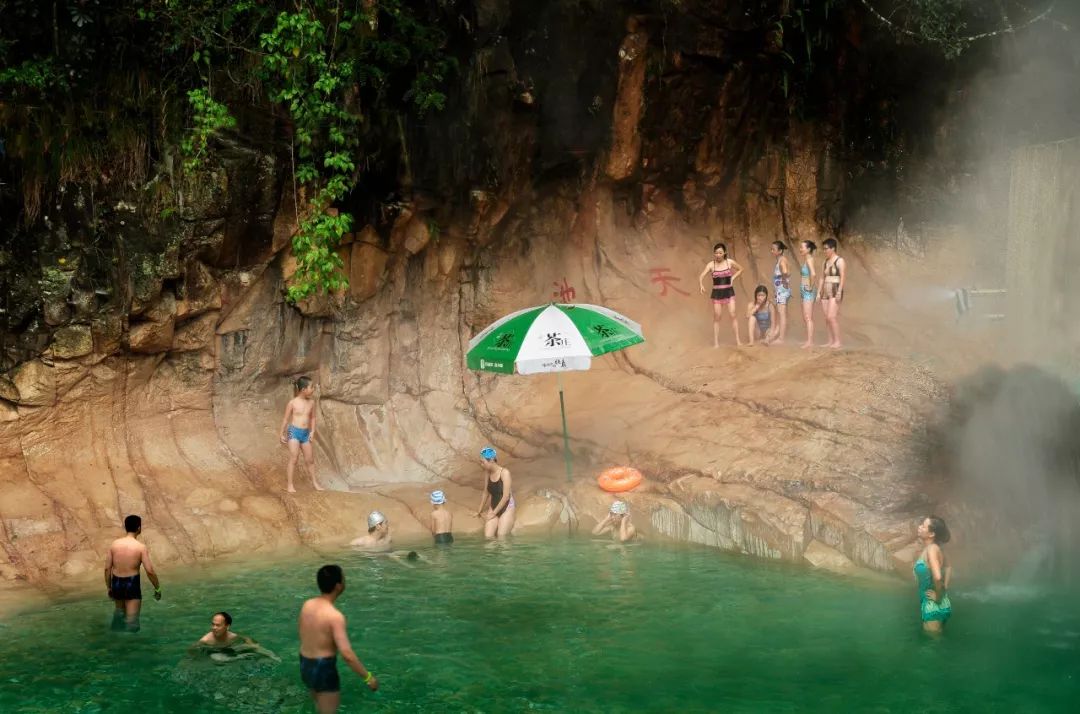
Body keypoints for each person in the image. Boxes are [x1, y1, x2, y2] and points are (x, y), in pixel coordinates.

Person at [298, 565, 378, 713]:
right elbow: (347, 654)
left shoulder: (307, 605)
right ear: (338, 586)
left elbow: (304, 633)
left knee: (318, 706)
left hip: (305, 664)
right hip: (323, 668)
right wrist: (368, 678)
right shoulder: (334, 616)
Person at [104, 514, 161, 633]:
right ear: (139, 528)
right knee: (132, 622)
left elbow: (107, 568)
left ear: (125, 527)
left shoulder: (114, 544)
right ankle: (130, 642)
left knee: (119, 614)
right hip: (131, 584)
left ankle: (115, 638)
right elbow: (150, 571)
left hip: (117, 583)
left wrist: (109, 587)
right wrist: (157, 588)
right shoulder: (140, 547)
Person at [279, 375, 323, 493]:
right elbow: (285, 419)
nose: (313, 389)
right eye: (311, 387)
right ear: (304, 389)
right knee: (294, 457)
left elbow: (313, 418)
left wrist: (312, 431)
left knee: (310, 459)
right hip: (294, 431)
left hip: (305, 433)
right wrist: (281, 433)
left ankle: (315, 483)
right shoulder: (292, 403)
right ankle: (290, 485)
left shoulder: (312, 403)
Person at [698, 242, 744, 347]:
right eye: (716, 253)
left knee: (733, 313)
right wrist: (701, 285)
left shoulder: (729, 262)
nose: (718, 255)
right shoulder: (711, 264)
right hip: (717, 293)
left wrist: (733, 277)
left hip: (729, 291)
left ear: (724, 253)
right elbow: (701, 275)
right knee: (717, 316)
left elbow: (741, 269)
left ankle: (738, 340)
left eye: (720, 253)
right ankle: (716, 342)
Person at [190, 611, 281, 663]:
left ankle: (273, 656)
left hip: (230, 648)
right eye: (213, 624)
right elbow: (193, 649)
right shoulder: (206, 639)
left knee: (255, 647)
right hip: (215, 652)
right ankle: (241, 657)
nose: (214, 628)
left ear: (227, 626)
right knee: (217, 658)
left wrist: (251, 644)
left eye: (218, 625)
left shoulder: (232, 636)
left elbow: (246, 638)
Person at [914, 516, 953, 634]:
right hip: (940, 603)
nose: (919, 527)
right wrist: (945, 586)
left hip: (933, 605)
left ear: (931, 534)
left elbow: (937, 576)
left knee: (932, 642)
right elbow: (948, 566)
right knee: (938, 639)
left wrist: (938, 596)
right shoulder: (936, 548)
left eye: (923, 526)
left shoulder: (931, 549)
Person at [476, 447, 515, 539]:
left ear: (491, 460)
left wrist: (493, 514)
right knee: (488, 537)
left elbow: (506, 497)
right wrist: (479, 511)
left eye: (483, 462)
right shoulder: (487, 473)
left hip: (507, 507)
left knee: (501, 537)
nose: (481, 465)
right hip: (494, 506)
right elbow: (486, 492)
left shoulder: (505, 473)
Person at [815, 238, 847, 349]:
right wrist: (818, 293)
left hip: (835, 289)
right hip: (825, 291)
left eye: (826, 249)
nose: (824, 251)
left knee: (831, 317)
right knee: (826, 318)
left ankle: (838, 341)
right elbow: (821, 278)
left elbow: (843, 276)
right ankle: (830, 341)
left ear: (833, 248)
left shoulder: (840, 261)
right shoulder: (825, 262)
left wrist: (839, 291)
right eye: (823, 249)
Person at [770, 241, 792, 344]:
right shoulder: (781, 259)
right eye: (771, 249)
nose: (772, 251)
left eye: (773, 249)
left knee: (782, 314)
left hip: (782, 291)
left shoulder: (782, 260)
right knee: (780, 313)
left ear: (780, 251)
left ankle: (781, 338)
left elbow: (785, 272)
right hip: (781, 290)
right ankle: (777, 335)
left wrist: (784, 282)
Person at [798, 240, 817, 349]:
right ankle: (808, 340)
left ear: (808, 249)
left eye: (802, 247)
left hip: (807, 291)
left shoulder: (809, 260)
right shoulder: (807, 259)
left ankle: (810, 342)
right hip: (804, 290)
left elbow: (813, 274)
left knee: (808, 317)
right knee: (806, 317)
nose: (800, 249)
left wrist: (810, 287)